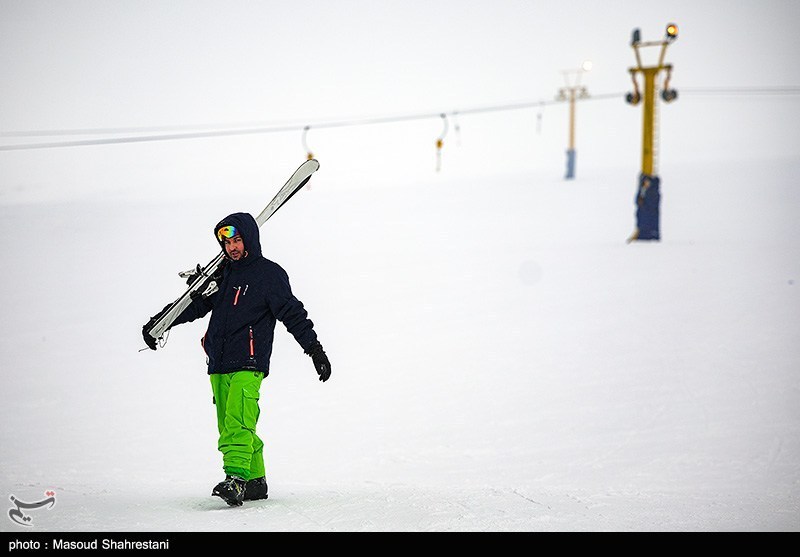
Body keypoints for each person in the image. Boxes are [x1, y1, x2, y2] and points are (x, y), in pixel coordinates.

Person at [142, 211, 331, 507]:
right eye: (227, 243)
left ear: (250, 240)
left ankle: (236, 479)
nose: (232, 247)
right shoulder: (223, 276)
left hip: (249, 361)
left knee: (238, 421)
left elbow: (293, 314)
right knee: (230, 423)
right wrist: (160, 322)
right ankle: (255, 481)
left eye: (237, 240)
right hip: (218, 363)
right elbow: (193, 306)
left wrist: (315, 349)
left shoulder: (269, 275)